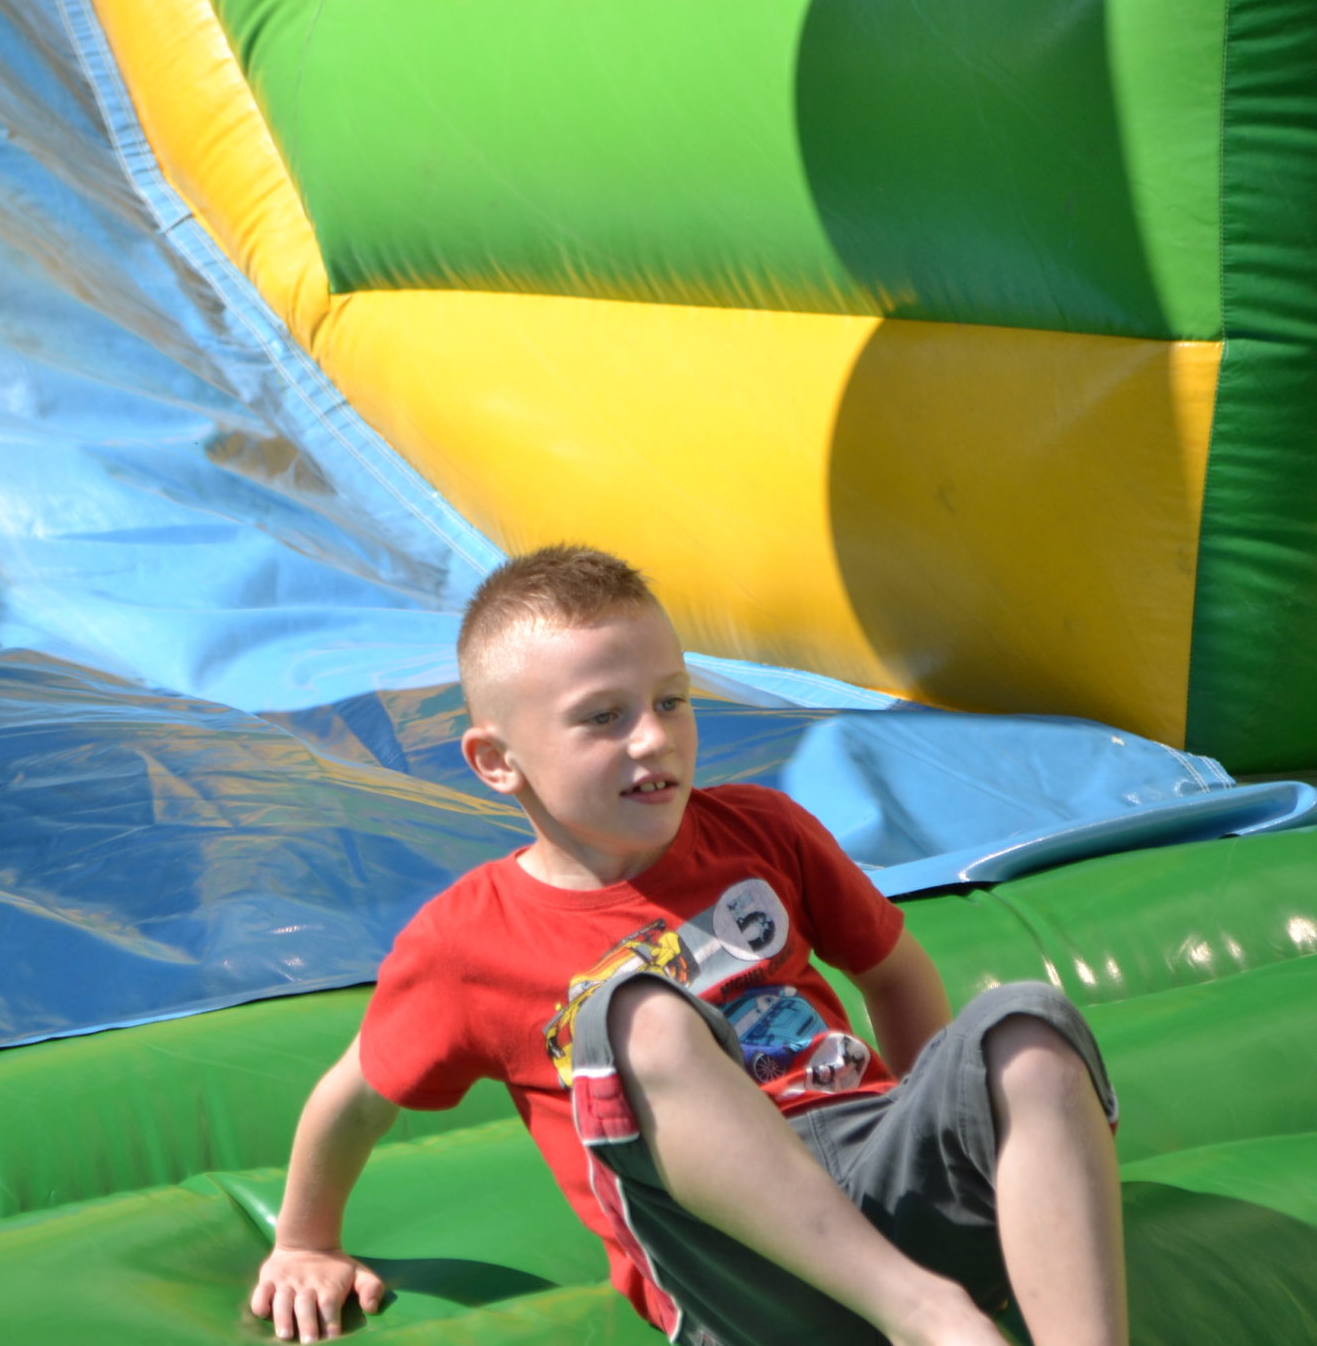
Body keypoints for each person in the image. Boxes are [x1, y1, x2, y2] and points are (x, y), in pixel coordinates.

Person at [248, 545, 1125, 1346]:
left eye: (671, 699)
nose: (654, 736)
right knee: (635, 1015)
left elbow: (894, 975)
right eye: (603, 716)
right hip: (733, 1264)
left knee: (1028, 1023)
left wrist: (926, 1128)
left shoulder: (762, 829)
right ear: (497, 761)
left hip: (873, 1169)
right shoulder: (470, 938)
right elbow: (353, 1097)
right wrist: (303, 1241)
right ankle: (924, 1313)